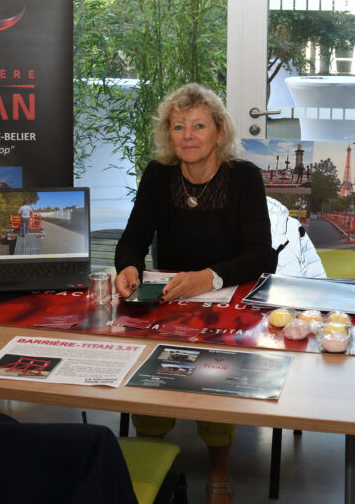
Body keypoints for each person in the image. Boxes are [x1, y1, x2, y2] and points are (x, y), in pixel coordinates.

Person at [114, 83, 274, 504]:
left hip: (228, 298)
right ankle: (150, 459)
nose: (188, 135)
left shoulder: (243, 177)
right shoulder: (158, 175)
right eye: (178, 126)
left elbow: (262, 256)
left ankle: (219, 465)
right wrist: (127, 267)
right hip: (169, 299)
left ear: (219, 132)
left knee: (216, 376)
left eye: (199, 126)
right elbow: (131, 240)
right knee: (149, 370)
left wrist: (209, 278)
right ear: (168, 134)